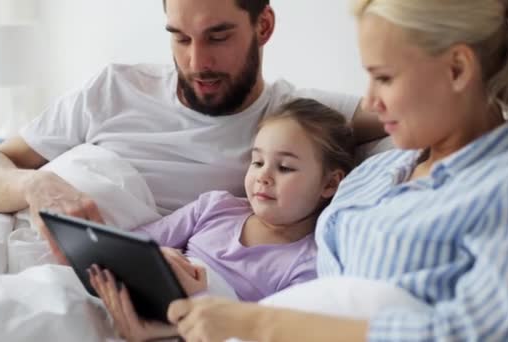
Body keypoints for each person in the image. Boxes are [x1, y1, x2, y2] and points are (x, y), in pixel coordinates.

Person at [91, 0, 508, 341]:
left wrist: (256, 323)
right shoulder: (377, 172)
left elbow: (476, 333)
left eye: (384, 77)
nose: (369, 102)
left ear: (458, 68)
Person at [0, 0, 381, 256]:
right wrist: (34, 187)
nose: (197, 62)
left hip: (95, 269)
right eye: (180, 37)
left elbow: (411, 107)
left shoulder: (293, 121)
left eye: (218, 37)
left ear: (263, 26)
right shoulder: (115, 86)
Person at [91, 98, 354, 311]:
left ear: (329, 184)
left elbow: (265, 333)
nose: (263, 176)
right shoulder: (215, 207)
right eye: (257, 162)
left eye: (284, 167)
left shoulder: (306, 265)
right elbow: (138, 242)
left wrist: (201, 296)